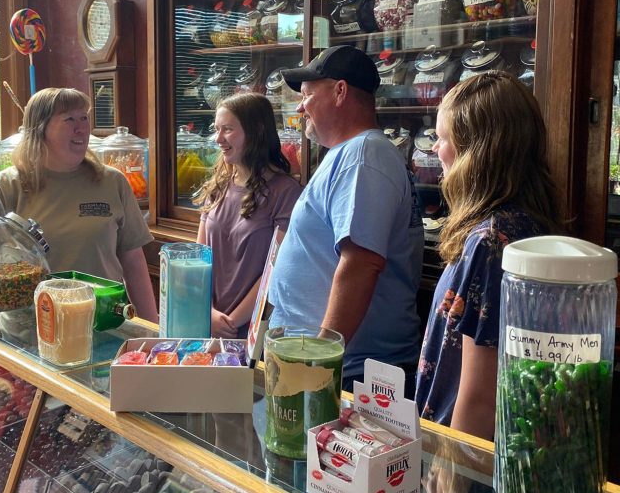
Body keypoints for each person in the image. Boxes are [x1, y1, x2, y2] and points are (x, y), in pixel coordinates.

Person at [0, 87, 158, 321]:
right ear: (39, 130)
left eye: (84, 118)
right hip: (30, 328)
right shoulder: (5, 186)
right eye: (69, 119)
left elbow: (133, 260)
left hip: (104, 322)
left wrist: (151, 327)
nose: (82, 128)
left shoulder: (112, 181)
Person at [415, 70, 562, 439]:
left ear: (474, 150)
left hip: (462, 452)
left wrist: (452, 481)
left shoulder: (491, 241)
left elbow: (481, 398)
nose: (435, 149)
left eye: (442, 138)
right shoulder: (522, 224)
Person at [268, 46, 424, 389]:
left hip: (345, 372)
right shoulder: (352, 153)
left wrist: (320, 363)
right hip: (328, 365)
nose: (300, 106)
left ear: (340, 91)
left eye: (308, 95)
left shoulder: (363, 155)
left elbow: (361, 264)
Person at [195, 93, 301, 338]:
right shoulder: (217, 186)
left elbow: (276, 271)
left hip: (251, 333)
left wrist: (229, 323)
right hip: (206, 323)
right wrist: (207, 312)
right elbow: (198, 259)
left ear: (256, 131)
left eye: (228, 129)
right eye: (216, 129)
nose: (218, 138)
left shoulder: (286, 192)